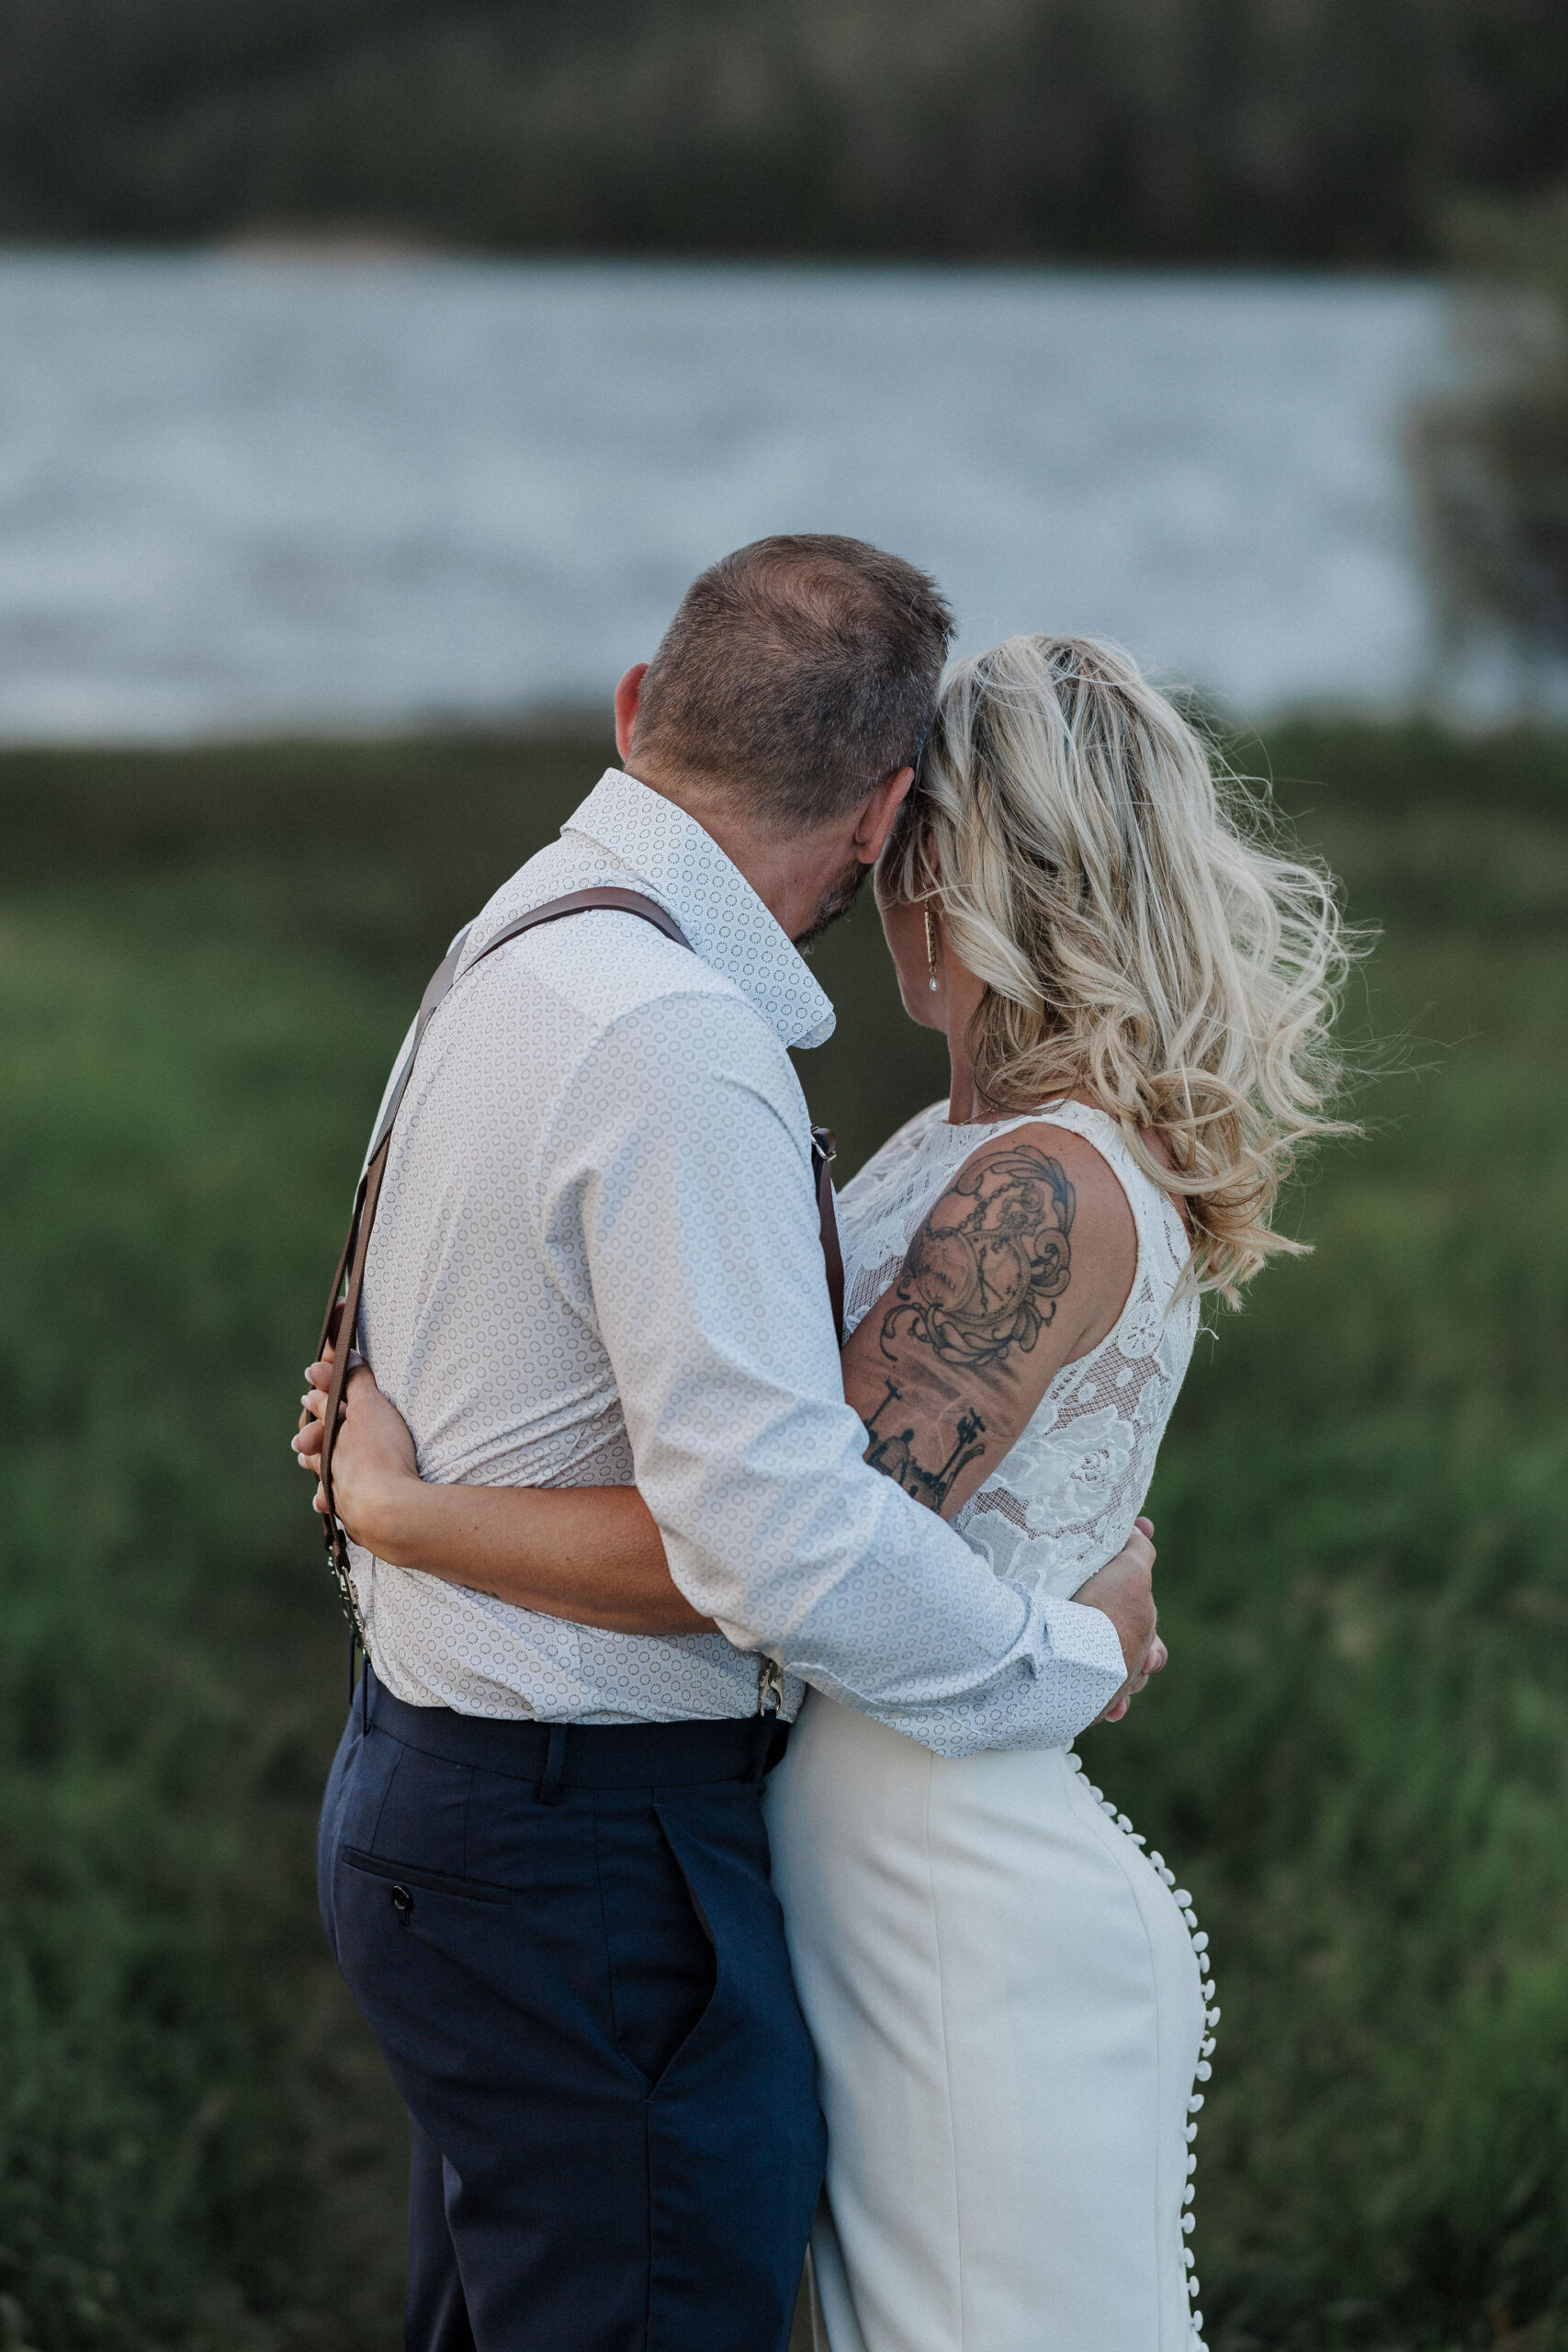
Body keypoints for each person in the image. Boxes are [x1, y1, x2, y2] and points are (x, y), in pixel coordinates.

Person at [302, 618, 1349, 2350]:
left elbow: (779, 1550)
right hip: (856, 1836)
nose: (874, 888)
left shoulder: (1037, 1187)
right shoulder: (966, 1147)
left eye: (906, 848)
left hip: (949, 1878)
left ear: (977, 871)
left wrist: (407, 1513)